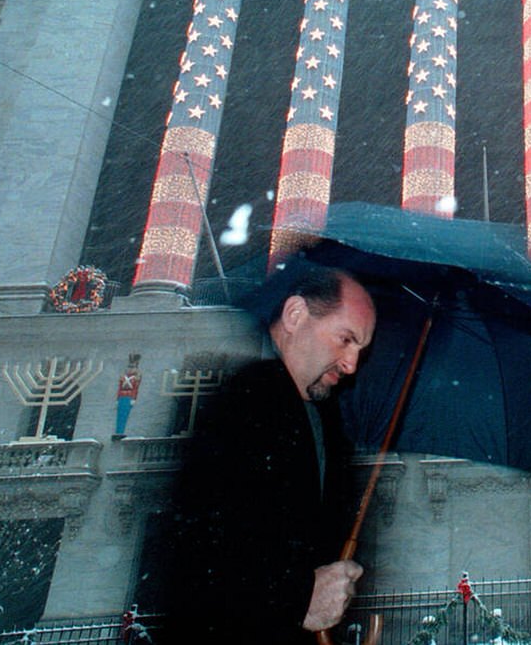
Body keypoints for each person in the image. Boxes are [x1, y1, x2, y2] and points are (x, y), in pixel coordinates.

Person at [158, 266, 376, 645]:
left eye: (361, 349)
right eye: (345, 339)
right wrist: (297, 599)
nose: (351, 364)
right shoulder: (243, 405)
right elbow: (198, 567)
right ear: (295, 315)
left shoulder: (324, 419)